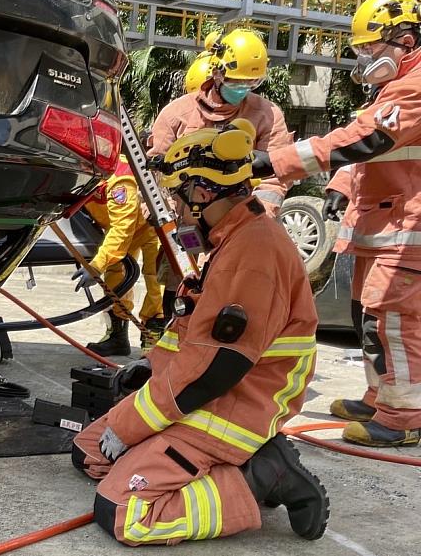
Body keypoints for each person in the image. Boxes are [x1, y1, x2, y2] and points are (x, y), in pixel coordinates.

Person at [72, 119, 326, 546]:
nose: (176, 209)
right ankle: (200, 464)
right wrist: (148, 367)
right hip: (201, 394)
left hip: (234, 408)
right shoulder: (231, 240)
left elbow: (211, 370)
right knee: (89, 451)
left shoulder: (252, 255)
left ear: (203, 192)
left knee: (123, 511)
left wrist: (134, 426)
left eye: (177, 197)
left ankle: (261, 474)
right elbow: (191, 335)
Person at [253, 0, 421, 447]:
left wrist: (274, 162)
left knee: (392, 322)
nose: (364, 59)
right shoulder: (390, 90)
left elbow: (362, 141)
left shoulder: (415, 86)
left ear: (405, 40)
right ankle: (379, 397)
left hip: (408, 230)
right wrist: (338, 189)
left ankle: (403, 417)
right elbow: (368, 157)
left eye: (371, 48)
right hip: (383, 226)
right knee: (369, 317)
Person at [148, 28, 293, 318]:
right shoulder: (178, 113)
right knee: (179, 287)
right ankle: (172, 349)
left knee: (232, 290)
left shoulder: (267, 114)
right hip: (184, 220)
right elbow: (154, 166)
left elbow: (276, 173)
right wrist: (160, 212)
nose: (242, 88)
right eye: (237, 81)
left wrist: (258, 217)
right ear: (216, 72)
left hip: (239, 223)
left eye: (251, 83)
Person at [73, 152, 165, 356]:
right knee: (116, 278)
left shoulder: (120, 181)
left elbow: (122, 230)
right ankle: (117, 336)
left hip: (149, 228)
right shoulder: (85, 171)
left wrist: (95, 266)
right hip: (118, 229)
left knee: (155, 278)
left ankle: (152, 338)